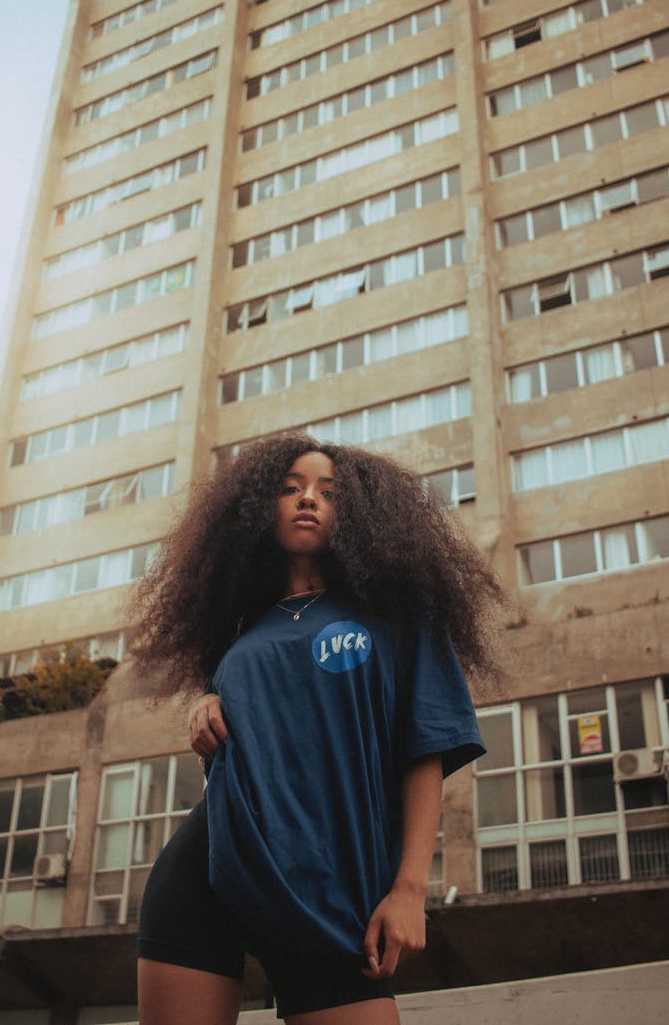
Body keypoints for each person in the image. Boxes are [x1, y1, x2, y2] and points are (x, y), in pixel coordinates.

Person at [133, 434, 502, 1025]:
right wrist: (204, 704)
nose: (307, 500)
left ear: (357, 515)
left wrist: (409, 890)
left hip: (331, 881)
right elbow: (243, 741)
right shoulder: (239, 633)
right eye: (290, 488)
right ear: (259, 508)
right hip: (210, 865)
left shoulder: (397, 614)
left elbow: (425, 748)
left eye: (327, 493)